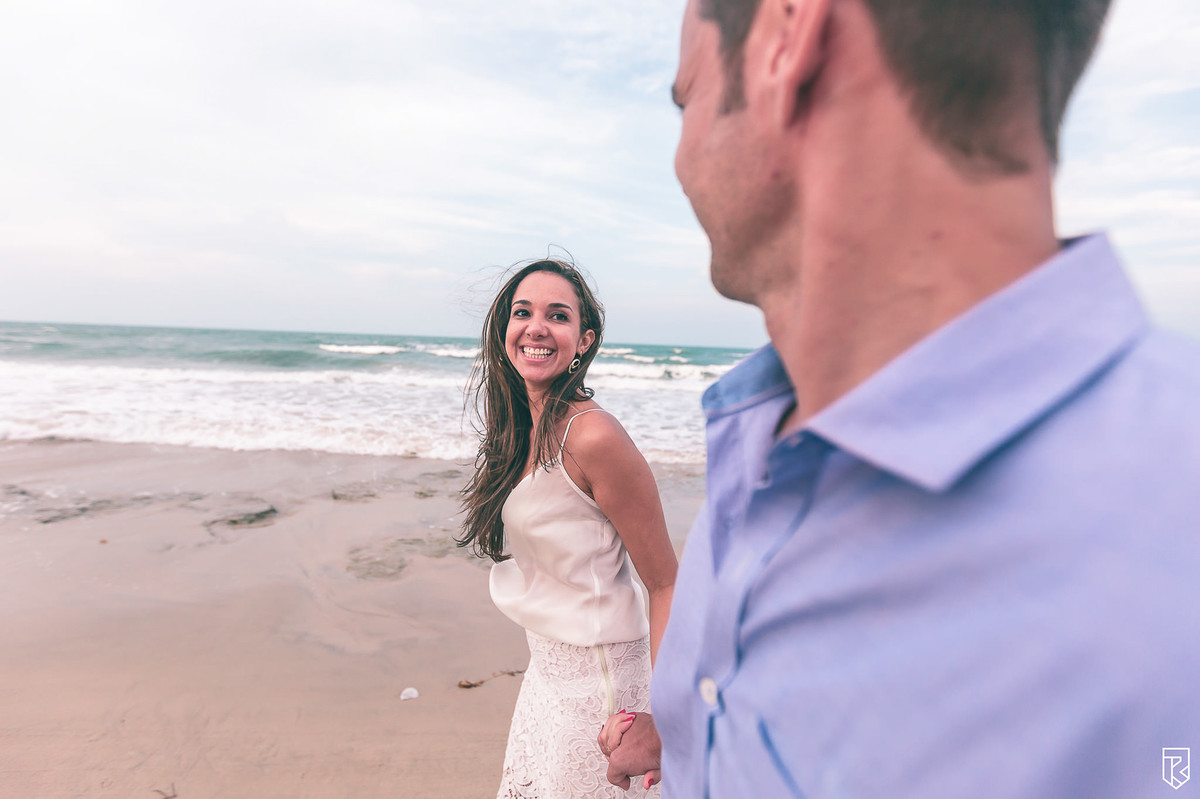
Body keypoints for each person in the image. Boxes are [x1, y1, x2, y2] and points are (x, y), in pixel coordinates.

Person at [601, 0, 1200, 796]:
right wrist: (693, 738)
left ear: (787, 34)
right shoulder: (756, 442)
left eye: (686, 96)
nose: (679, 154)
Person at [458, 258, 678, 797]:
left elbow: (668, 582)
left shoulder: (592, 436)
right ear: (503, 331)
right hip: (547, 679)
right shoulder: (525, 429)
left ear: (583, 340)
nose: (535, 327)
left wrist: (664, 719)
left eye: (557, 315)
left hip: (604, 694)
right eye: (522, 312)